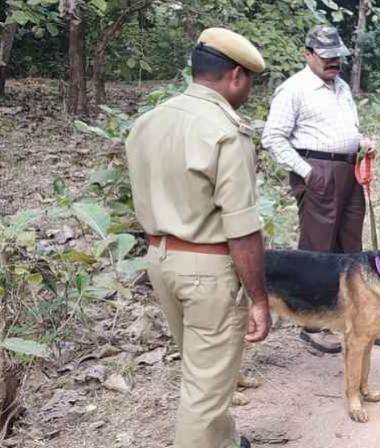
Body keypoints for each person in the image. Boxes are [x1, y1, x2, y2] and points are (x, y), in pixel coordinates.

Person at [125, 28, 270, 448]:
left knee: (201, 369)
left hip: (160, 259)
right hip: (207, 269)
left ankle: (225, 442)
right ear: (237, 76)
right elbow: (241, 228)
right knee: (205, 391)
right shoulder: (226, 131)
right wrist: (258, 297)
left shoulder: (150, 120)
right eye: (250, 83)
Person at [261, 25, 380, 353]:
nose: (334, 62)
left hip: (349, 170)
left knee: (350, 248)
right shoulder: (294, 89)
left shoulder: (342, 87)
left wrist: (361, 143)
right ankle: (311, 324)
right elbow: (272, 137)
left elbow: (345, 129)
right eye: (327, 56)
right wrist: (307, 172)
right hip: (316, 170)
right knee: (317, 251)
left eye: (338, 56)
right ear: (308, 54)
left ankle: (356, 317)